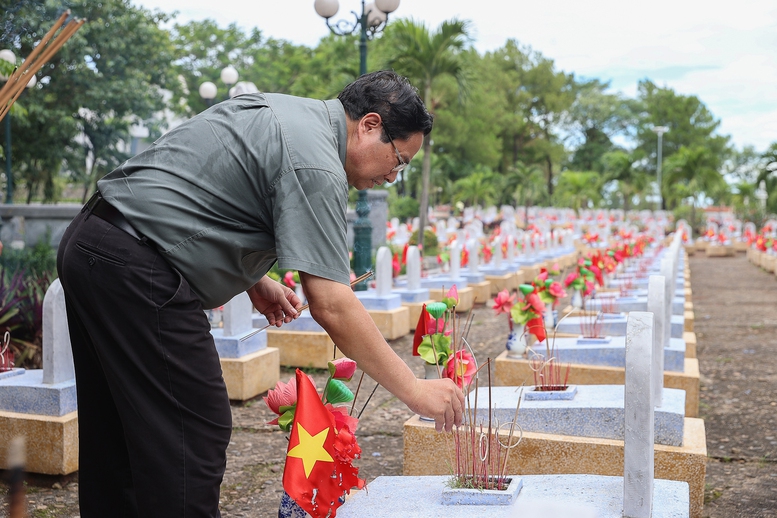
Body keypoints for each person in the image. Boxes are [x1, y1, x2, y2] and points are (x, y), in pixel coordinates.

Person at [56, 70, 465, 517]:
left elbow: (204, 186)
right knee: (192, 429)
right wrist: (415, 391)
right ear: (369, 125)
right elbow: (331, 303)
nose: (393, 176)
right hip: (135, 267)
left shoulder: (287, 113)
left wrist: (254, 279)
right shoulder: (317, 162)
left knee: (117, 431)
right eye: (399, 160)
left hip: (96, 243)